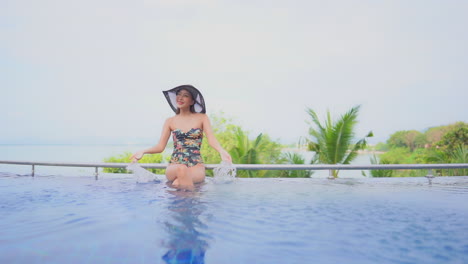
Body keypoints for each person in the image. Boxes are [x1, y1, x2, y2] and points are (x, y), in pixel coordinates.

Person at [130, 85, 232, 190]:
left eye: (185, 95)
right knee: (181, 169)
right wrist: (143, 151)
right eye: (178, 95)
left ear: (192, 101)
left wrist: (221, 151)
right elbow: (160, 147)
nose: (180, 98)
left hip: (196, 166)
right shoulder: (170, 121)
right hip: (174, 165)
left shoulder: (202, 118)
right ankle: (194, 202)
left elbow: (211, 139)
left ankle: (183, 204)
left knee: (178, 182)